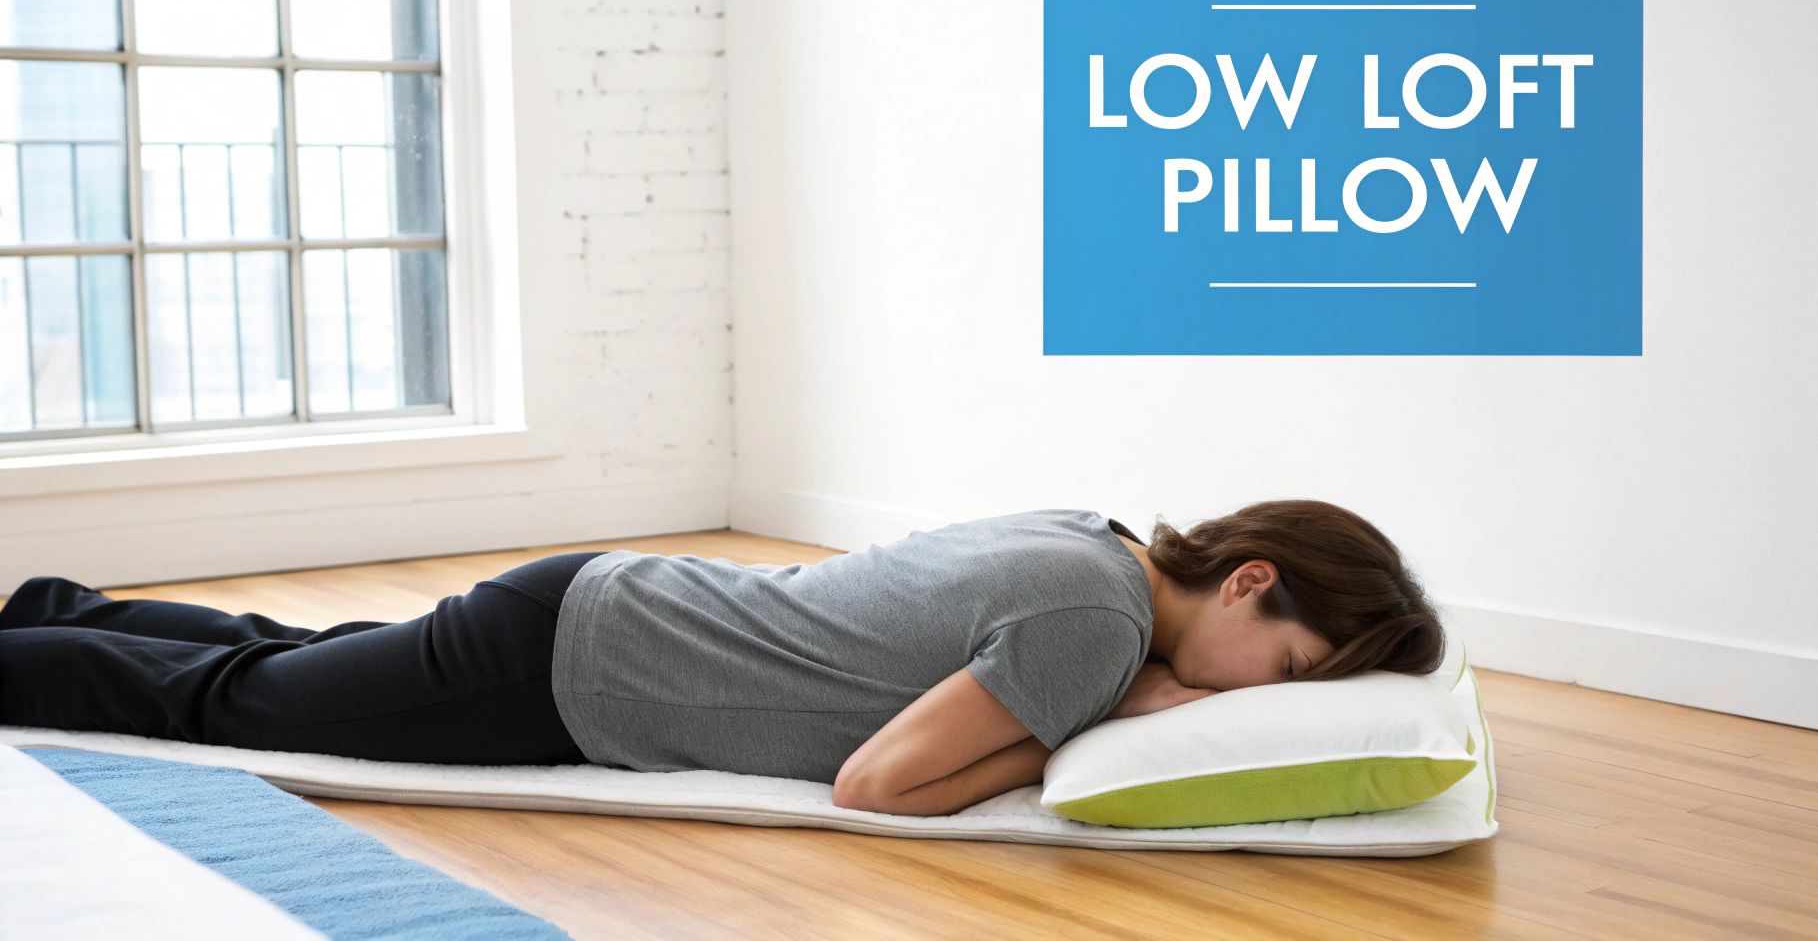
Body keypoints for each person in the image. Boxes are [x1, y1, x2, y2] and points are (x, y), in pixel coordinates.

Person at [0, 500, 1445, 817]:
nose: (1263, 694)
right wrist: (1089, 721)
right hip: (570, 670)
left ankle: (50, 602)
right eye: (1288, 660)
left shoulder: (1097, 538)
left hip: (592, 608)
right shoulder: (1098, 631)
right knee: (236, 704)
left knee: (293, 655)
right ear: (1248, 580)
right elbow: (885, 786)